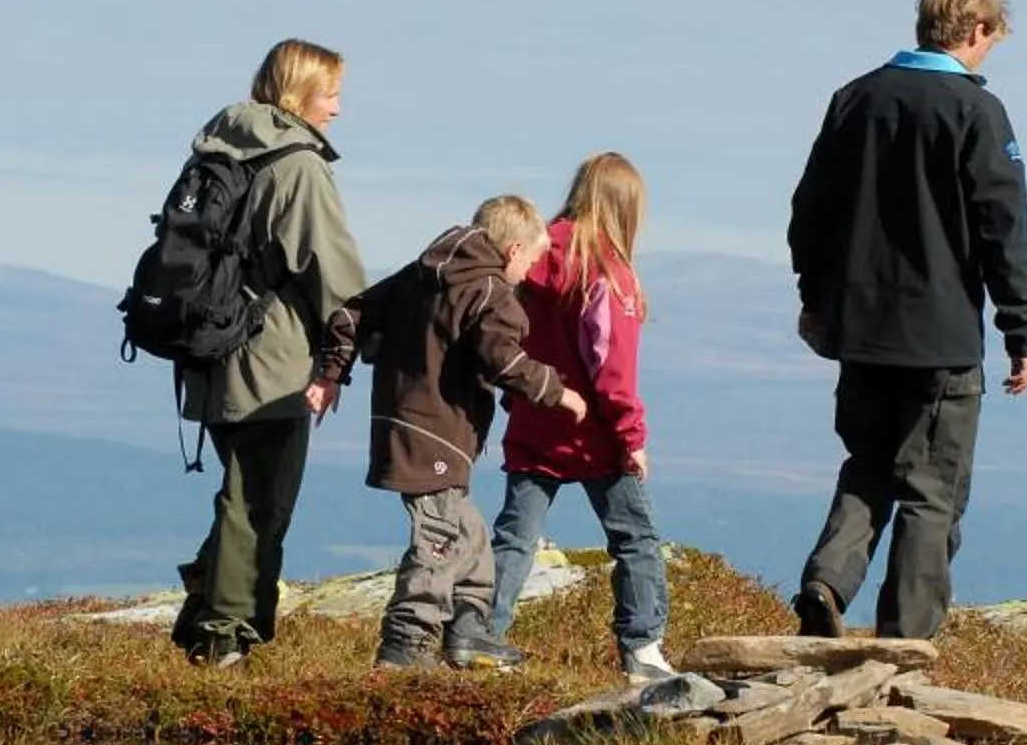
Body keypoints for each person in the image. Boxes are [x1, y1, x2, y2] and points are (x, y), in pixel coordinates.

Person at [785, 0, 1027, 641]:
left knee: (867, 464)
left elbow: (809, 209)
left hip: (860, 331)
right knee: (933, 489)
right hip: (942, 337)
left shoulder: (856, 98)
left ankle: (826, 582)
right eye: (992, 40)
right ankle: (907, 639)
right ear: (978, 32)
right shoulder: (977, 113)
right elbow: (1002, 228)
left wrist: (816, 298)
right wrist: (1021, 330)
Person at [322, 195, 585, 670]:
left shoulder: (421, 274)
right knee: (441, 535)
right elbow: (504, 359)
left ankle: (469, 629)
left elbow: (349, 315)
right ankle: (406, 644)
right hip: (436, 432)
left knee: (472, 533)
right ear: (514, 251)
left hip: (402, 424)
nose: (530, 273)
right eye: (532, 260)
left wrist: (329, 374)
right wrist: (559, 392)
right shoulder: (489, 293)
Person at [169, 39, 368, 668]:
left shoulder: (219, 147)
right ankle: (224, 636)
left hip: (208, 345)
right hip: (269, 354)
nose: (336, 108)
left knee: (241, 486)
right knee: (260, 496)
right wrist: (348, 348)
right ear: (300, 92)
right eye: (330, 93)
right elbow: (333, 273)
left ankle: (210, 601)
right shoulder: (297, 166)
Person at [487, 153, 672, 681]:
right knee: (635, 539)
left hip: (533, 423)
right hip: (595, 436)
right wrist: (631, 436)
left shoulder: (531, 254)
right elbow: (611, 366)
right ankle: (642, 648)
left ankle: (484, 636)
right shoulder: (608, 273)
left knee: (514, 539)